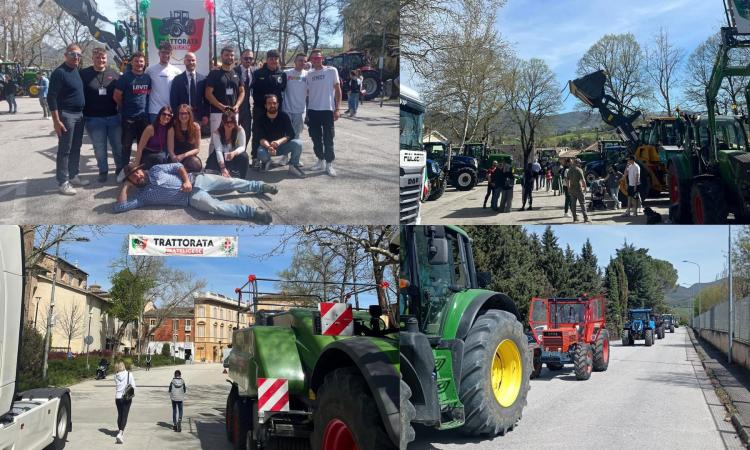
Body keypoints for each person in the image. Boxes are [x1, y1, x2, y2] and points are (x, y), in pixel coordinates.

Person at [114, 162, 277, 223]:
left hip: (196, 180)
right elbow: (119, 208)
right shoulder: (142, 197)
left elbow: (178, 166)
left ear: (141, 170)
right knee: (215, 206)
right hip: (190, 198)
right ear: (132, 182)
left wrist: (185, 180)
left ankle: (259, 186)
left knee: (230, 183)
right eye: (133, 177)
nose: (137, 176)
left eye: (137, 172)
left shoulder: (156, 169)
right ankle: (252, 212)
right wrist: (126, 186)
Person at [48, 43, 89, 195]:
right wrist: (56, 121)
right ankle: (63, 182)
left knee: (76, 148)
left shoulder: (76, 71)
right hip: (66, 115)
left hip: (79, 115)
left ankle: (73, 176)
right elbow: (51, 97)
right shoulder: (59, 73)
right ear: (66, 55)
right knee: (65, 150)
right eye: (73, 54)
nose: (76, 57)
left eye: (79, 55)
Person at [80, 47, 122, 182]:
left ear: (106, 59)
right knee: (99, 147)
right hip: (93, 119)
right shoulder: (83, 74)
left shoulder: (114, 74)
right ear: (92, 59)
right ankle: (103, 170)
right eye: (97, 57)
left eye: (103, 57)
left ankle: (120, 169)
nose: (100, 60)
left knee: (117, 146)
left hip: (113, 117)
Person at [114, 52, 151, 179]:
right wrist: (124, 107)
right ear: (131, 63)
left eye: (141, 61)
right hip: (128, 118)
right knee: (126, 146)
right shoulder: (125, 77)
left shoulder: (147, 78)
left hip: (143, 118)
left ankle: (140, 170)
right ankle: (124, 171)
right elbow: (117, 96)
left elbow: (148, 94)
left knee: (143, 145)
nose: (139, 64)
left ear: (144, 63)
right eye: (136, 61)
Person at [306, 48, 342, 176]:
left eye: (319, 58)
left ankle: (329, 164)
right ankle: (320, 160)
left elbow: (338, 90)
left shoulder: (331, 71)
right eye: (314, 58)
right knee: (315, 138)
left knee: (328, 138)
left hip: (327, 110)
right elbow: (306, 92)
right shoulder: (308, 74)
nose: (316, 60)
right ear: (311, 60)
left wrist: (337, 109)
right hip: (312, 111)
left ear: (322, 59)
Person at [250, 49, 287, 166]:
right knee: (257, 133)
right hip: (260, 109)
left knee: (273, 132)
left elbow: (282, 90)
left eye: (275, 58)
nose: (273, 61)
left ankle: (268, 157)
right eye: (271, 58)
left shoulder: (282, 74)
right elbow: (253, 91)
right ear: (267, 59)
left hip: (275, 110)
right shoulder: (257, 73)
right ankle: (255, 158)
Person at [205, 47, 244, 157]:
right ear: (221, 56)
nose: (229, 57)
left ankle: (229, 162)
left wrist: (237, 105)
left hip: (233, 113)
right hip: (217, 113)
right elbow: (208, 93)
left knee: (232, 139)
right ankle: (211, 165)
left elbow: (242, 92)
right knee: (215, 139)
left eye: (231, 55)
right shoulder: (214, 73)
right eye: (226, 55)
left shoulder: (237, 73)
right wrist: (220, 106)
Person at [255, 94, 305, 178]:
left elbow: (291, 134)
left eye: (274, 103)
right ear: (265, 105)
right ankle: (266, 161)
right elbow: (260, 138)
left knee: (298, 143)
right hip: (267, 147)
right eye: (269, 103)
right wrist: (269, 147)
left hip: (282, 146)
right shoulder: (261, 118)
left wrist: (278, 142)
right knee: (261, 153)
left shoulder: (284, 116)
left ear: (278, 104)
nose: (272, 105)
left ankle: (293, 165)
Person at [146, 41, 182, 124]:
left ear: (171, 54)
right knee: (155, 136)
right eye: (163, 52)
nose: (165, 55)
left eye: (167, 53)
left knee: (169, 136)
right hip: (154, 111)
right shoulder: (149, 70)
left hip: (170, 111)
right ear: (159, 53)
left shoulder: (177, 71)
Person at [206, 111, 249, 178]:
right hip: (221, 157)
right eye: (226, 122)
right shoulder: (217, 133)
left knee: (244, 156)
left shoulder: (240, 130)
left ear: (235, 122)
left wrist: (234, 153)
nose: (229, 125)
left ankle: (243, 177)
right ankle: (220, 172)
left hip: (234, 156)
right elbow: (218, 151)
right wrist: (223, 168)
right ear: (222, 122)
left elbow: (242, 147)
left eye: (232, 122)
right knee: (209, 169)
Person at [170, 52, 208, 127]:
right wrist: (176, 115)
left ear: (196, 61)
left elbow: (206, 100)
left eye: (193, 60)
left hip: (199, 116)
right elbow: (173, 100)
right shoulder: (177, 79)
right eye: (188, 60)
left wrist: (206, 115)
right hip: (182, 116)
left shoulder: (203, 79)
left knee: (197, 138)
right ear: (184, 62)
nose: (191, 62)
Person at [168, 104, 203, 173]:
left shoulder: (195, 127)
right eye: (181, 113)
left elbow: (197, 149)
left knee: (196, 164)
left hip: (189, 157)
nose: (183, 116)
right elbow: (170, 149)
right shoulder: (172, 128)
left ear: (190, 114)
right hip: (176, 157)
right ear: (178, 115)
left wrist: (183, 156)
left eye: (186, 113)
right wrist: (174, 158)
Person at [283, 53, 308, 141]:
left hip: (300, 111)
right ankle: (285, 153)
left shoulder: (308, 75)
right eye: (300, 60)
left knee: (296, 135)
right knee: (285, 134)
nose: (302, 63)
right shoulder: (286, 73)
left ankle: (295, 154)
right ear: (295, 61)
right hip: (287, 109)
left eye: (305, 61)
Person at [235, 49, 255, 153]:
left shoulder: (253, 72)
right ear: (241, 58)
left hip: (247, 108)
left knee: (247, 133)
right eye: (246, 58)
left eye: (250, 58)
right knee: (234, 133)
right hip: (235, 108)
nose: (248, 60)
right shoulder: (234, 71)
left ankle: (242, 154)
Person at [114, 361, 136, 444]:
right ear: (124, 366)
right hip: (126, 398)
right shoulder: (129, 374)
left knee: (120, 415)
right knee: (124, 415)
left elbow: (117, 384)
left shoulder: (115, 376)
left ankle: (120, 431)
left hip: (117, 398)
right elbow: (133, 385)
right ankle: (120, 433)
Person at [566, 158, 590, 223]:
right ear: (578, 163)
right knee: (583, 203)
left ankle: (575, 218)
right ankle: (586, 218)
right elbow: (583, 180)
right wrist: (585, 188)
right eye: (580, 163)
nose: (580, 164)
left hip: (572, 189)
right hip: (579, 189)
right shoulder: (579, 170)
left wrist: (568, 188)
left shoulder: (570, 170)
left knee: (573, 205)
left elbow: (567, 180)